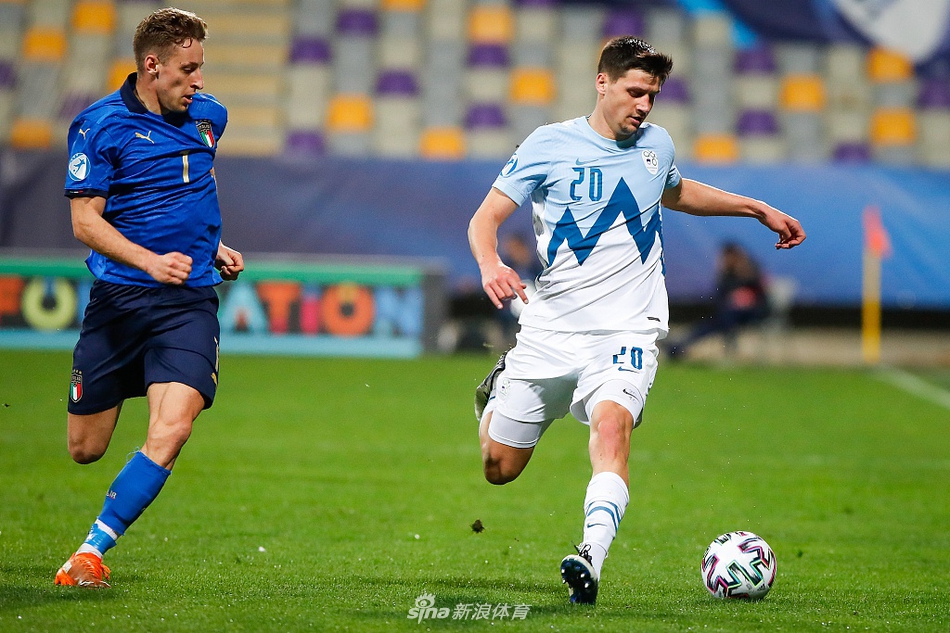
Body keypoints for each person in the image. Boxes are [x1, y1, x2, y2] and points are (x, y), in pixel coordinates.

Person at [468, 36, 805, 605]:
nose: (644, 105)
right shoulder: (549, 145)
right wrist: (489, 263)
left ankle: (589, 559)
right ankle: (501, 389)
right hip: (552, 331)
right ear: (602, 83)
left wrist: (756, 208)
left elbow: (678, 191)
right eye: (635, 92)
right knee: (498, 468)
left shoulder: (657, 145)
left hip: (628, 331)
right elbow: (486, 218)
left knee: (612, 431)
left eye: (652, 95)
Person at [55, 7, 244, 588]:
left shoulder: (209, 117)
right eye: (188, 70)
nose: (199, 81)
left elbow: (194, 184)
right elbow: (85, 222)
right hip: (119, 303)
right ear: (153, 65)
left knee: (174, 427)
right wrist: (149, 261)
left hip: (187, 302)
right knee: (85, 448)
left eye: (201, 68)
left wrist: (212, 244)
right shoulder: (100, 125)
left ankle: (90, 552)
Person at [667, 241, 769, 358]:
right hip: (730, 313)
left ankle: (679, 347)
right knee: (714, 322)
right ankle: (678, 347)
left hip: (753, 312)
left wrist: (746, 298)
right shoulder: (727, 273)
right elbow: (722, 294)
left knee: (723, 319)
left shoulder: (752, 270)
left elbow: (762, 294)